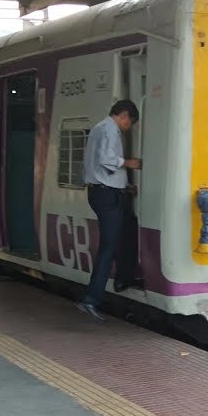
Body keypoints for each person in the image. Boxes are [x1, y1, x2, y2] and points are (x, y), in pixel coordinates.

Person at [76, 100, 142, 321]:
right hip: (106, 195)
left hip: (106, 192)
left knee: (128, 229)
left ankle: (123, 278)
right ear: (124, 116)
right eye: (129, 123)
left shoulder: (100, 128)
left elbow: (99, 167)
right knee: (109, 246)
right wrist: (130, 163)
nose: (128, 128)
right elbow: (106, 160)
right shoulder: (109, 129)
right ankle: (90, 299)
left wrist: (125, 186)